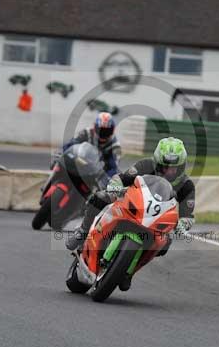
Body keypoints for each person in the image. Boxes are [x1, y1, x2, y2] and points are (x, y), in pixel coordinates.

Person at [65, 137, 196, 291]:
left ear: (182, 168)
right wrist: (115, 185)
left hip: (156, 220)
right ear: (156, 162)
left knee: (165, 243)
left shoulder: (187, 186)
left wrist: (183, 224)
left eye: (174, 169)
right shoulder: (145, 165)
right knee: (100, 197)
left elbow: (188, 215)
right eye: (164, 167)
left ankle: (130, 271)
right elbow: (122, 178)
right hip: (132, 202)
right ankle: (83, 230)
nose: (169, 172)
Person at [62, 112, 121, 177]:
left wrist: (104, 178)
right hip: (77, 164)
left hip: (95, 176)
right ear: (94, 127)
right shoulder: (86, 133)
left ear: (113, 130)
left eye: (107, 131)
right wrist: (62, 157)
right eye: (101, 130)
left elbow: (113, 169)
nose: (103, 133)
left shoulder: (115, 145)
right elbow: (69, 146)